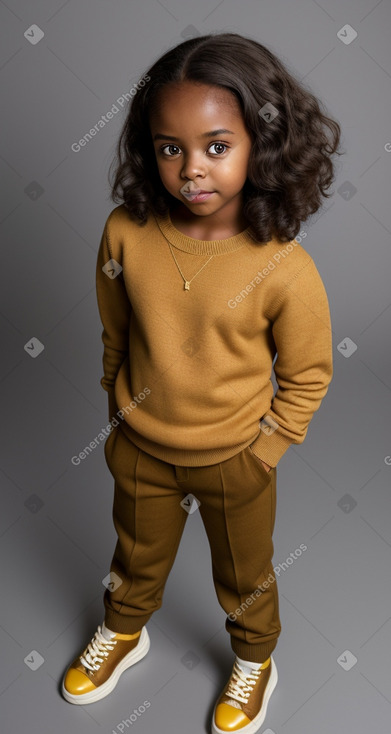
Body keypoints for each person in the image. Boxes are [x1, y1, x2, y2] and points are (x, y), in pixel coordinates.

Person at [61, 31, 342, 733]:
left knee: (245, 578)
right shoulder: (124, 232)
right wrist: (117, 414)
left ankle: (255, 660)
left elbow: (307, 374)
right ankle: (124, 633)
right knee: (134, 555)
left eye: (217, 146)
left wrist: (263, 454)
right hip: (140, 447)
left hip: (234, 460)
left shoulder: (282, 265)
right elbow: (116, 332)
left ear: (263, 143)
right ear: (147, 149)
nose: (191, 169)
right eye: (169, 148)